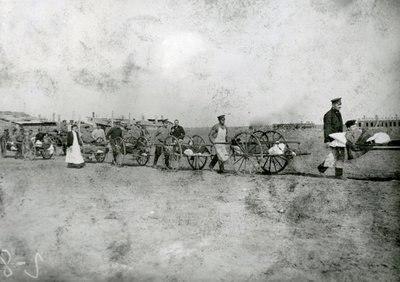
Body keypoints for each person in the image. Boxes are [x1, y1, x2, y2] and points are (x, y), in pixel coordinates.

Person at [317, 98, 345, 178]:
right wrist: (327, 140)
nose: (340, 106)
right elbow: (327, 128)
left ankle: (339, 175)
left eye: (340, 104)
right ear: (333, 105)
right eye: (338, 104)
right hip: (332, 139)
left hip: (339, 139)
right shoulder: (328, 115)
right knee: (332, 156)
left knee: (341, 156)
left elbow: (340, 127)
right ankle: (321, 169)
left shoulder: (338, 114)